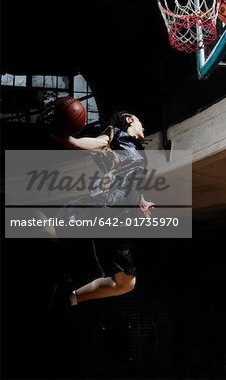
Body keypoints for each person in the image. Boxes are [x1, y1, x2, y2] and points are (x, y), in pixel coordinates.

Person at [41, 109, 154, 309]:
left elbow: (133, 179)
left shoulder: (139, 153)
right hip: (103, 205)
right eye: (139, 120)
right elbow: (92, 143)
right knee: (52, 231)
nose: (143, 126)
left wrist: (142, 201)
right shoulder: (115, 136)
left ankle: (68, 299)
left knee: (127, 283)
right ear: (129, 119)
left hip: (120, 218)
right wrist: (70, 141)